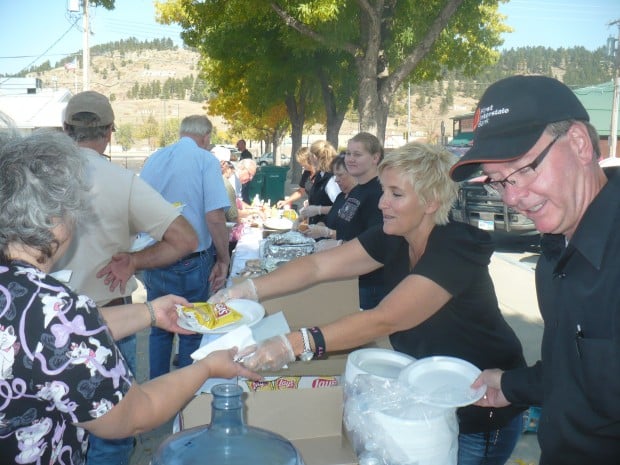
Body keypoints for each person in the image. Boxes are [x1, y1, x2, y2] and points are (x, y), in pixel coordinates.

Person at [211, 142, 527, 465]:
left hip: (482, 408)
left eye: (396, 194)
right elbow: (318, 266)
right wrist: (247, 290)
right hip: (431, 396)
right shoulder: (394, 235)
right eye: (383, 191)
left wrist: (295, 343)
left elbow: (384, 319)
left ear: (432, 201)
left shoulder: (456, 247)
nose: (382, 203)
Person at [0, 129, 260, 465]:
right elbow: (135, 414)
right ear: (54, 220)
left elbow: (39, 335)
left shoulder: (34, 303)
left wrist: (151, 313)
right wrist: (207, 367)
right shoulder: (52, 307)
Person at [449, 75, 620, 464]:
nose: (513, 197)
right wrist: (510, 385)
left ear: (578, 144)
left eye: (523, 169)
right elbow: (576, 371)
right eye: (498, 181)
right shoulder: (554, 256)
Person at [55, 90, 199, 465]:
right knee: (112, 436)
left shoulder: (32, 177)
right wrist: (134, 261)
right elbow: (185, 239)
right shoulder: (120, 180)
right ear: (110, 132)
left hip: (31, 326)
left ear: (65, 129)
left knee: (50, 430)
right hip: (109, 323)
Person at [139, 115, 231, 380]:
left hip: (156, 254)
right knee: (191, 327)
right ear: (206, 138)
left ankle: (158, 390)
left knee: (159, 327)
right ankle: (185, 395)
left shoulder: (155, 158)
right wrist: (223, 259)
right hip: (190, 259)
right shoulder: (205, 159)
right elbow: (215, 217)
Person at [299, 140, 341, 224]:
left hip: (328, 230)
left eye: (309, 156)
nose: (309, 159)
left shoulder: (332, 179)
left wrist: (318, 210)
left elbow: (341, 207)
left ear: (314, 157)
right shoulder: (320, 174)